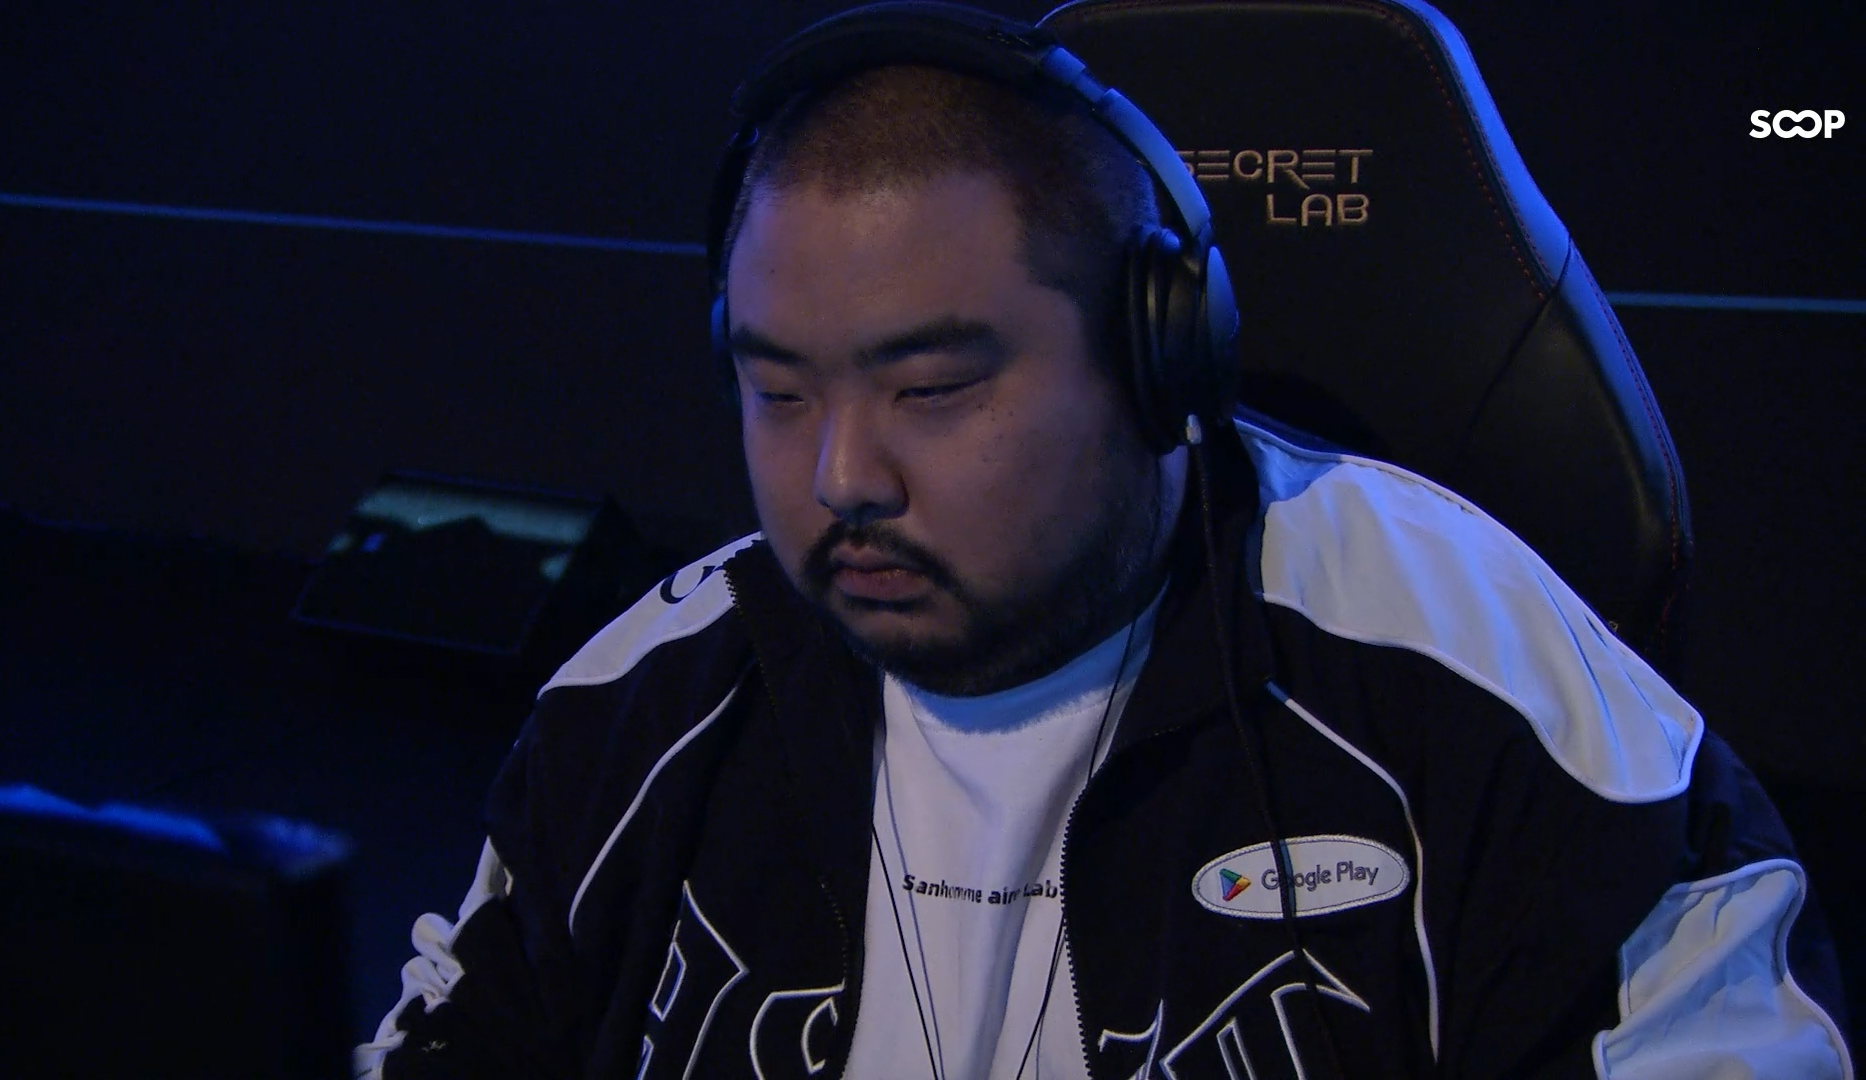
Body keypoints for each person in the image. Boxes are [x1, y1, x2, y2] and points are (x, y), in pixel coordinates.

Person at [355, 5, 1850, 1078]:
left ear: (1156, 367)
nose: (839, 475)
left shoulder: (1490, 695)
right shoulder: (642, 711)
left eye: (933, 389)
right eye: (777, 390)